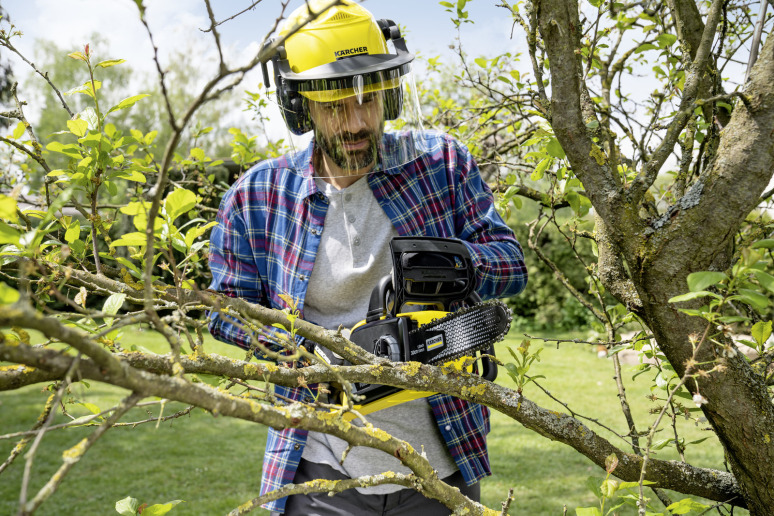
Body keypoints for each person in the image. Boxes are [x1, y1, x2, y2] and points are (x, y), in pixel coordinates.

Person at [207, 1, 528, 514]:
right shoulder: (257, 196)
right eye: (335, 106)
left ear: (390, 94)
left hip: (441, 462)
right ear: (300, 106)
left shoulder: (441, 164)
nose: (356, 122)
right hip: (319, 465)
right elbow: (226, 309)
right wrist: (309, 355)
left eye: (369, 100)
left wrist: (461, 264)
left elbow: (511, 265)